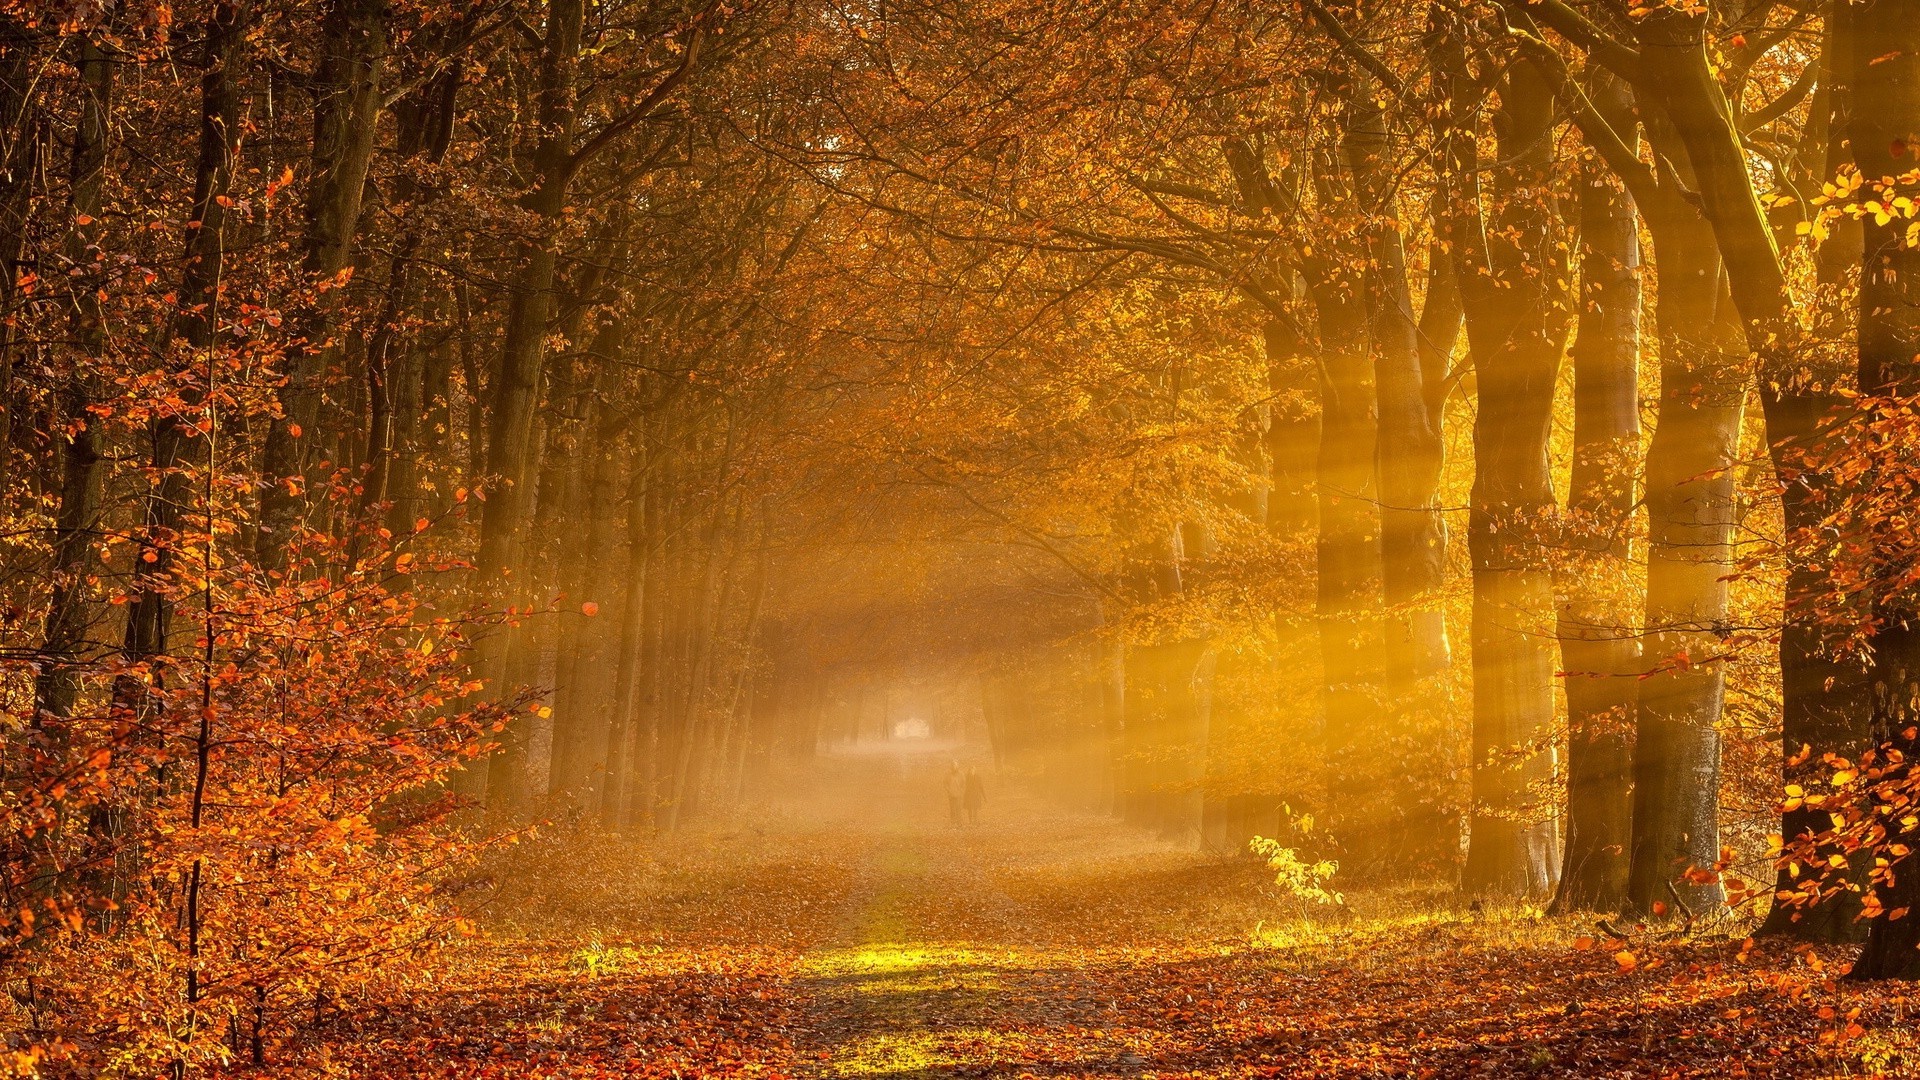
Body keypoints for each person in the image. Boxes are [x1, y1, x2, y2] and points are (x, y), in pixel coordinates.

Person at [945, 760, 964, 827]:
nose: (954, 766)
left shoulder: (961, 774)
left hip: (959, 794)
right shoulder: (948, 774)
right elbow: (945, 783)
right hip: (951, 794)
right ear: (951, 766)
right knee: (952, 809)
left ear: (957, 766)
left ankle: (959, 822)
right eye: (953, 765)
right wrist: (948, 790)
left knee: (959, 808)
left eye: (955, 765)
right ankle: (953, 822)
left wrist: (961, 791)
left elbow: (963, 783)